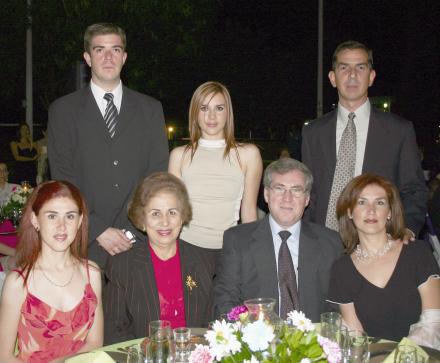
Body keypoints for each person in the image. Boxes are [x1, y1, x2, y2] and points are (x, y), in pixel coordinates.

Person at [48, 23, 169, 268]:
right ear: (87, 58)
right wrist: (98, 229)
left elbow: (157, 176)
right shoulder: (63, 110)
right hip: (84, 242)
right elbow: (63, 178)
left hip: (137, 241)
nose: (108, 57)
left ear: (124, 57)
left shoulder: (150, 109)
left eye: (115, 49)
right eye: (99, 49)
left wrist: (130, 231)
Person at [301, 40, 427, 235]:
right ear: (333, 78)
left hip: (378, 243)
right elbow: (308, 192)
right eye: (344, 68)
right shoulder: (313, 133)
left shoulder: (399, 130)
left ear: (371, 77)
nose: (352, 75)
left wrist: (406, 231)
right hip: (323, 245)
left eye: (360, 67)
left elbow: (414, 190)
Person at [213, 158, 343, 322]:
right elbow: (225, 300)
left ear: (307, 199)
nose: (287, 198)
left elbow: (338, 305)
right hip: (256, 342)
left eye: (296, 190)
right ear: (266, 194)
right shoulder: (238, 240)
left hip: (314, 342)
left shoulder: (330, 243)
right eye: (279, 189)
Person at [328, 174, 440, 343]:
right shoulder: (341, 269)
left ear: (389, 212)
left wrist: (398, 357)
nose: (371, 210)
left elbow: (433, 324)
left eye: (379, 202)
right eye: (361, 202)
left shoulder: (417, 253)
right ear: (350, 212)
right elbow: (355, 335)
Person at [104, 172, 215, 344]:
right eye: (155, 213)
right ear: (142, 220)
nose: (165, 222)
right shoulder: (122, 265)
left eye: (172, 212)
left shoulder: (204, 261)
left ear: (182, 216)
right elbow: (115, 330)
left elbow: (213, 325)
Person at [0, 181, 103, 362]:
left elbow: (94, 343)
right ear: (35, 220)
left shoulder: (91, 273)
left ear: (79, 221)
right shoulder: (17, 282)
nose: (61, 226)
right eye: (52, 216)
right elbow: (4, 356)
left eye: (70, 216)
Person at [168, 81, 262, 261]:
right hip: (188, 249)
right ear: (195, 113)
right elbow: (174, 211)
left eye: (219, 108)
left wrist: (251, 257)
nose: (211, 116)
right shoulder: (179, 156)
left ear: (228, 113)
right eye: (204, 108)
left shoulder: (248, 154)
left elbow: (249, 212)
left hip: (231, 251)